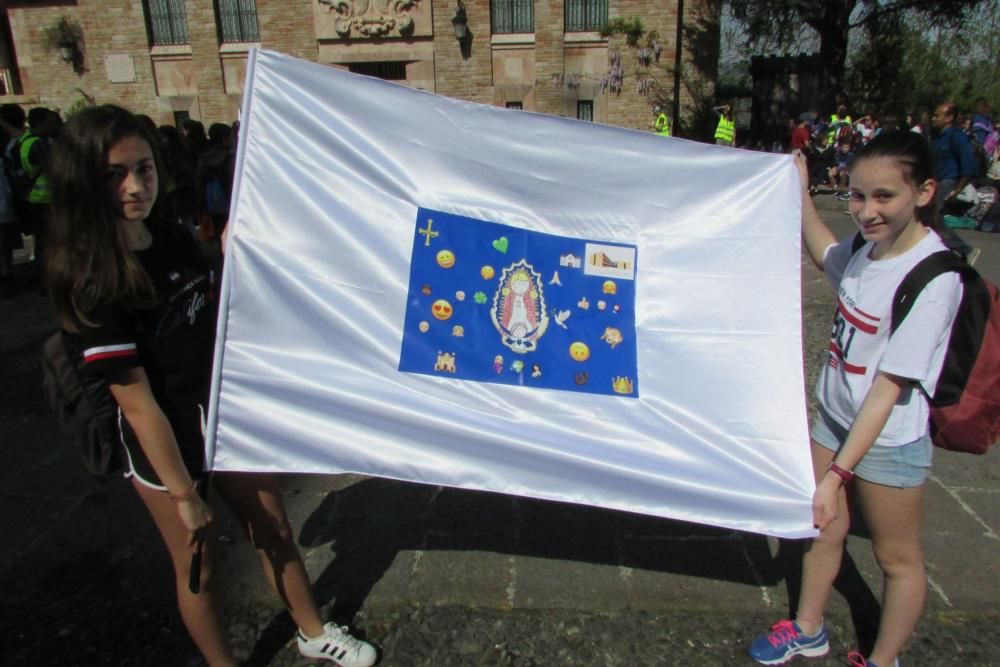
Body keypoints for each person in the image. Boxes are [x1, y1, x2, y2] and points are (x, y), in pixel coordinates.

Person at [44, 105, 377, 667]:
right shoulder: (89, 280)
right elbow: (139, 403)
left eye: (145, 169)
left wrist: (228, 256)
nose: (135, 186)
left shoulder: (169, 236)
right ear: (84, 180)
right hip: (165, 442)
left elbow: (212, 311)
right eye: (115, 174)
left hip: (221, 416)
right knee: (197, 566)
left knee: (273, 527)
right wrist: (183, 495)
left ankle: (313, 632)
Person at [748, 131, 964, 667]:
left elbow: (889, 390)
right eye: (857, 195)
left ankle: (884, 658)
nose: (867, 211)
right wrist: (799, 193)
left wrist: (837, 476)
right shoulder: (869, 248)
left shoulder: (933, 279)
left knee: (896, 558)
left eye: (884, 196)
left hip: (887, 437)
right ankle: (807, 628)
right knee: (825, 528)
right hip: (838, 419)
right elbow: (826, 254)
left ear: (924, 192)